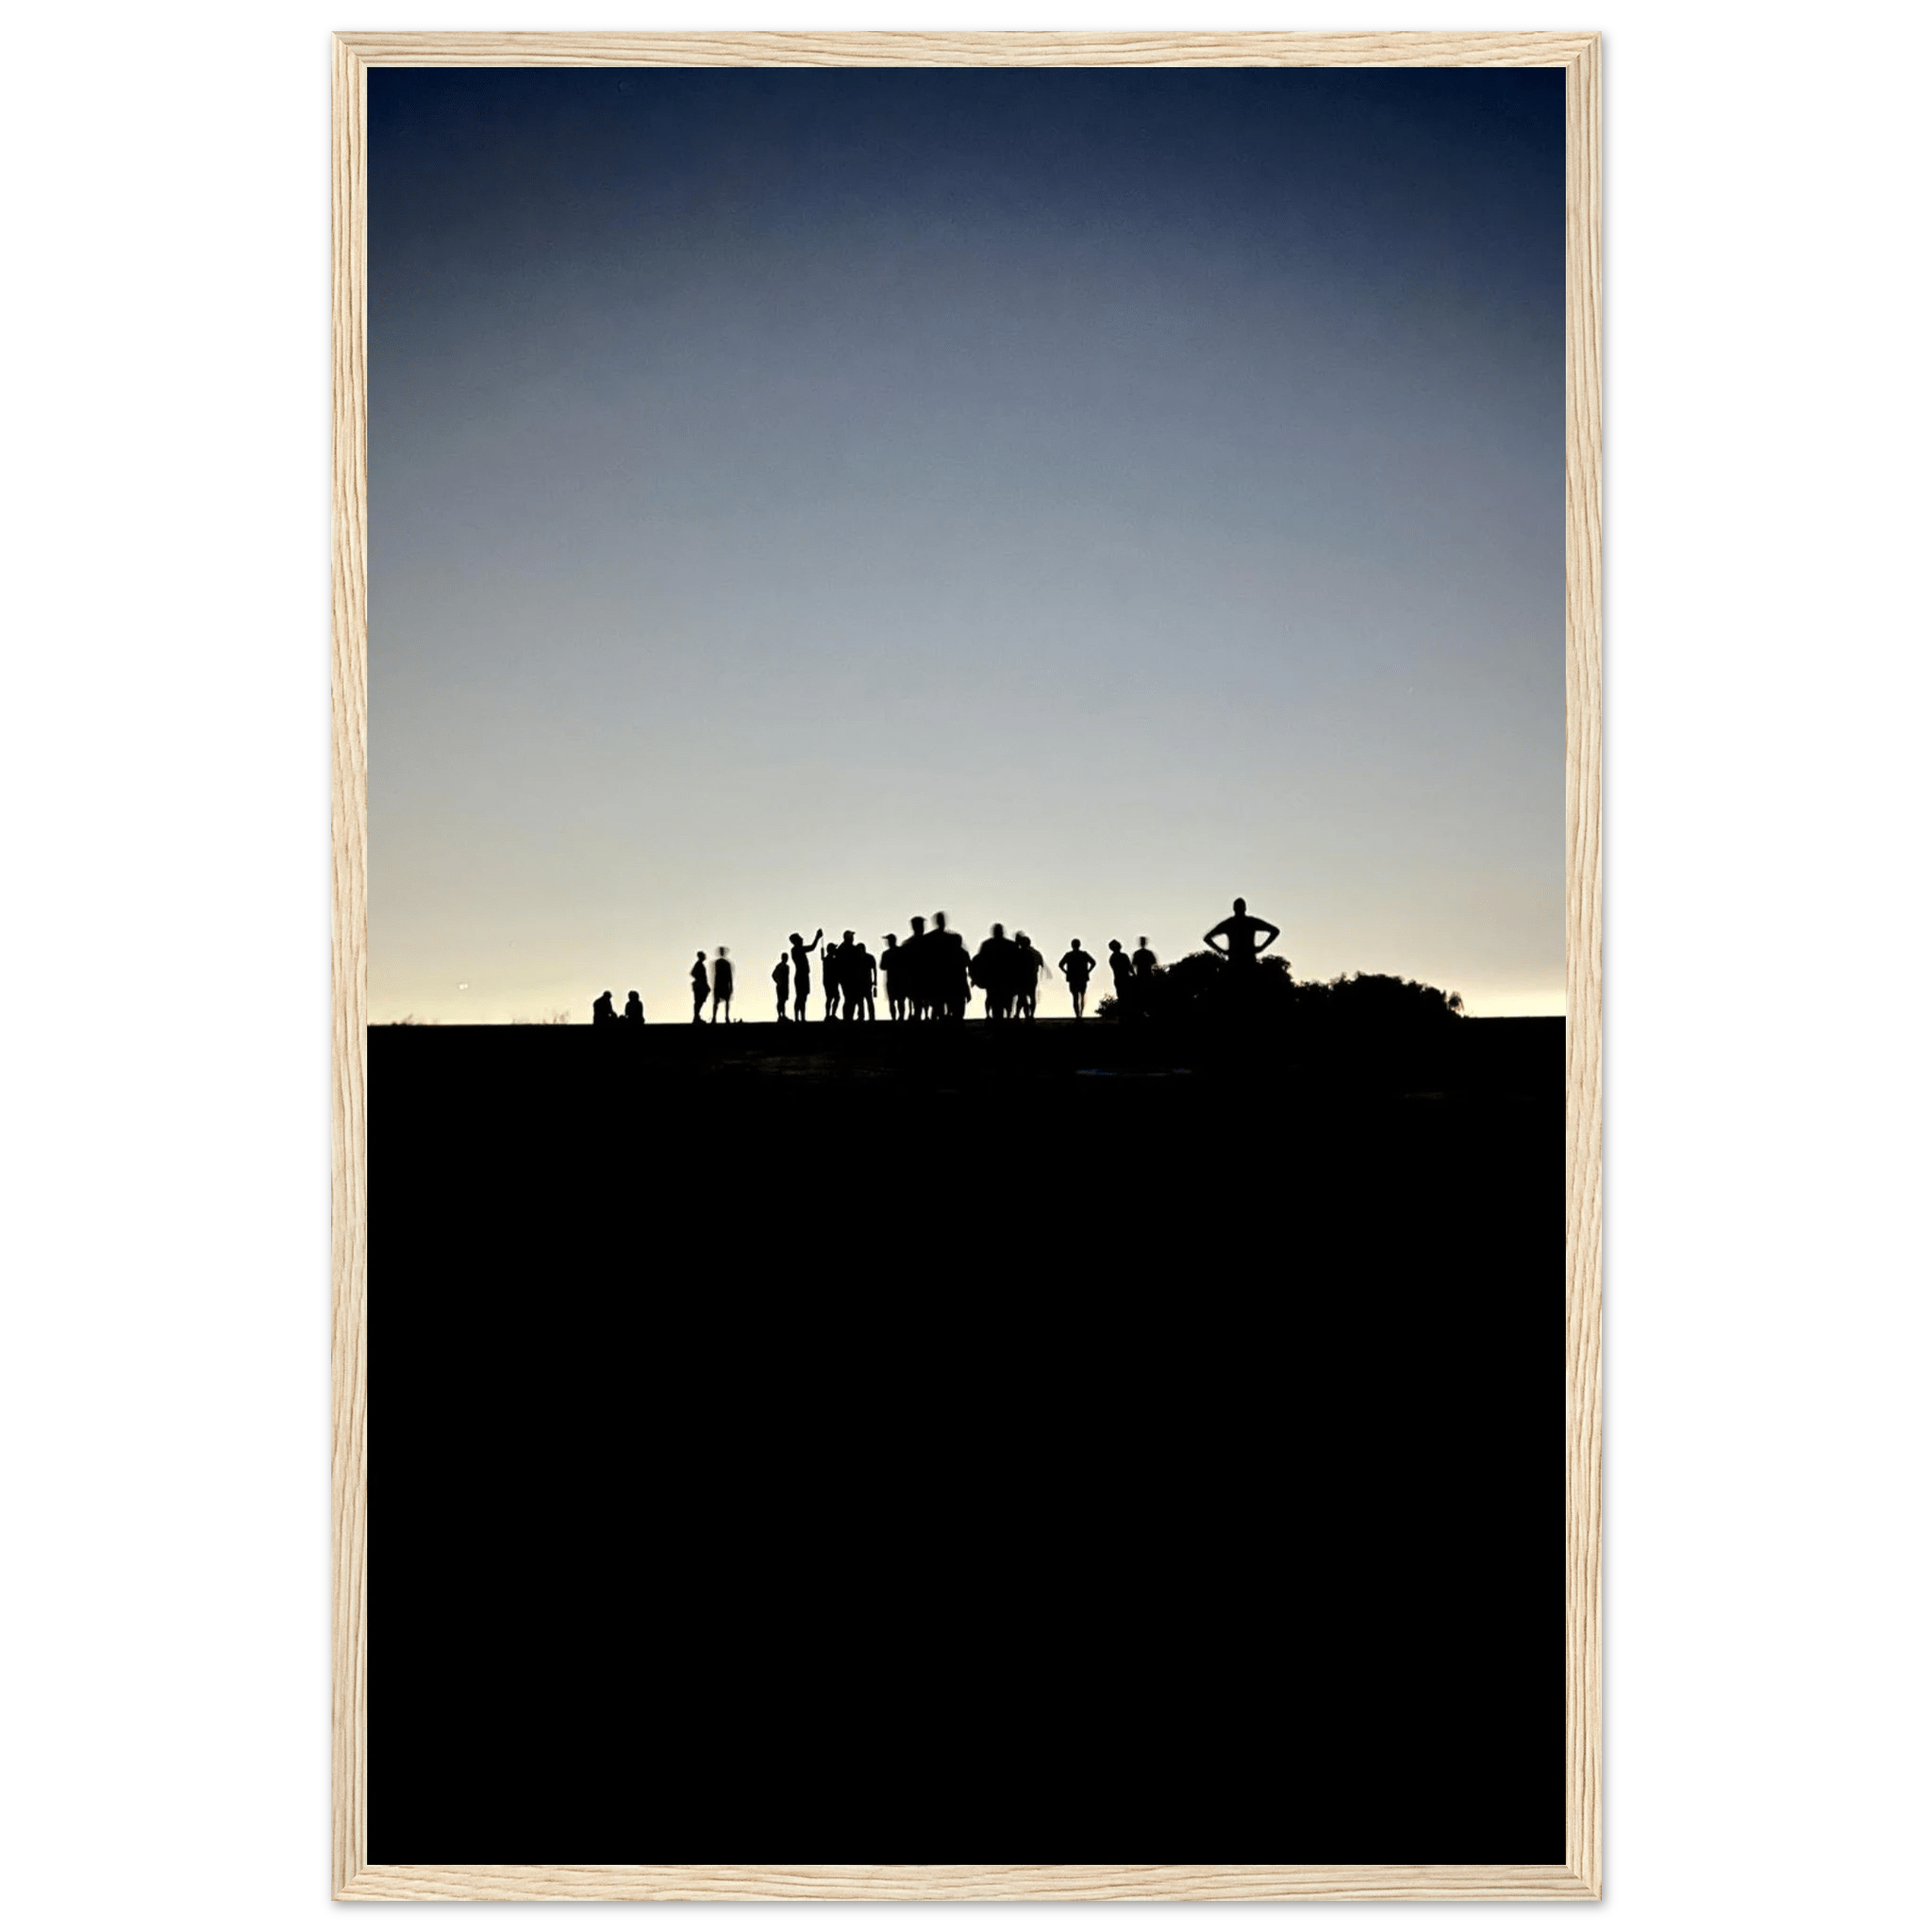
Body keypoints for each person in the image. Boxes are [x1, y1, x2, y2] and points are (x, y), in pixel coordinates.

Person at [1203, 897, 1282, 968]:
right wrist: (1262, 947)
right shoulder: (1248, 922)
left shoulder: (1231, 923)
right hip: (1242, 962)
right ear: (1245, 908)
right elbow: (1275, 931)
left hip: (1242, 962)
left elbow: (1275, 931)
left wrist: (1222, 951)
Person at [972, 924, 1020, 1021]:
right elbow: (1018, 963)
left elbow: (978, 961)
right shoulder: (1011, 945)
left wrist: (976, 977)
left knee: (994, 1001)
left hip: (993, 979)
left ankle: (996, 1019)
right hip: (1006, 979)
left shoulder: (987, 945)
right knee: (1007, 1001)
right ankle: (1006, 1018)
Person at [931, 911, 970, 1020]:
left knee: (940, 1010)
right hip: (952, 981)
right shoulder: (952, 939)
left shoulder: (931, 938)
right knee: (954, 1010)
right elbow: (965, 966)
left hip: (940, 980)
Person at [788, 929, 822, 1024]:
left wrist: (817, 938)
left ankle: (801, 1017)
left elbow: (811, 947)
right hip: (800, 976)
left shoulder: (798, 949)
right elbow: (812, 947)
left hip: (803, 975)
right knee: (800, 996)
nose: (802, 939)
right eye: (799, 938)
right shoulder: (796, 949)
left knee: (804, 997)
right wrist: (817, 937)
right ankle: (798, 1018)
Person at [1013, 932, 1048, 1021]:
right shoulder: (1036, 952)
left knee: (1021, 997)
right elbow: (1042, 965)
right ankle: (1031, 1015)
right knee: (1032, 997)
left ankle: (1020, 1014)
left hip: (1022, 978)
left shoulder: (1020, 952)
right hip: (1033, 978)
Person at [900, 915, 930, 1021]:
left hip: (914, 977)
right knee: (924, 999)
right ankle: (925, 1016)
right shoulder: (929, 942)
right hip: (924, 976)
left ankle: (918, 1017)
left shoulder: (907, 944)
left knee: (917, 1001)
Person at [1059, 939, 1097, 1019]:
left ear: (1072, 945)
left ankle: (1077, 1015)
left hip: (1073, 978)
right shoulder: (1084, 954)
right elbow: (1093, 962)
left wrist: (1066, 972)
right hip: (1082, 977)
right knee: (1082, 996)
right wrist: (1088, 971)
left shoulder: (1069, 955)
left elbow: (1060, 965)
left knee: (1075, 997)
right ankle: (1080, 1013)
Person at [879, 934, 905, 1022]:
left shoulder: (886, 953)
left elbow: (882, 967)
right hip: (900, 980)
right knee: (900, 1000)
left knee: (892, 1001)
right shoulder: (901, 951)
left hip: (892, 980)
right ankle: (900, 1017)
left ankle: (894, 1018)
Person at [1107, 940, 1135, 1013]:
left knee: (1121, 997)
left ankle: (1123, 1014)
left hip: (1118, 979)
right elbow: (1130, 967)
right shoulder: (1123, 956)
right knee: (1128, 997)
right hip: (1125, 978)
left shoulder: (1112, 958)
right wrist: (1134, 975)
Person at [709, 947, 734, 1024]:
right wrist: (731, 985)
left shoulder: (718, 963)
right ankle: (722, 1017)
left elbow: (729, 975)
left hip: (720, 984)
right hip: (722, 984)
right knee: (722, 1002)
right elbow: (729, 976)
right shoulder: (725, 963)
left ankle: (717, 1018)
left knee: (719, 1002)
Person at [690, 954, 709, 1024]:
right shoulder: (699, 965)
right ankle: (696, 1017)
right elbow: (692, 973)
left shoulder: (700, 964)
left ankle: (697, 1016)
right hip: (699, 986)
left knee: (699, 1001)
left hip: (701, 985)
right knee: (698, 1001)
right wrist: (699, 980)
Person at [772, 953, 791, 1020]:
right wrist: (778, 981)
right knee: (780, 1001)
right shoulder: (779, 966)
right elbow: (773, 975)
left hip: (785, 986)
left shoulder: (787, 967)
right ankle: (780, 1015)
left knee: (783, 1001)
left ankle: (783, 1015)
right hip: (781, 986)